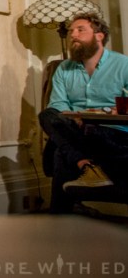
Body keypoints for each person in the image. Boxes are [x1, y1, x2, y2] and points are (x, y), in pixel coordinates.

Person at [39, 12, 128, 213]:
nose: (73, 35)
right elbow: (58, 105)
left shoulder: (123, 64)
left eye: (80, 30)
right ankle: (87, 167)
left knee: (61, 151)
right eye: (72, 31)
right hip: (75, 128)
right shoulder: (64, 69)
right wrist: (75, 118)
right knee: (47, 115)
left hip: (113, 132)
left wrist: (111, 110)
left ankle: (59, 218)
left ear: (99, 36)